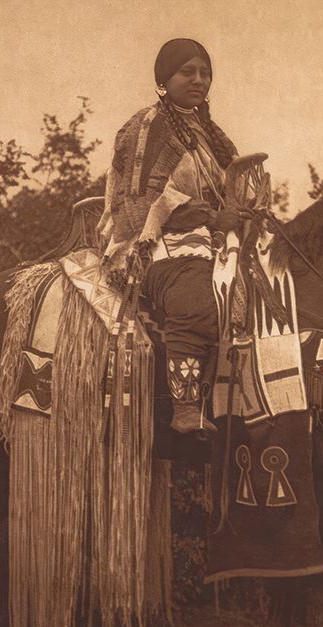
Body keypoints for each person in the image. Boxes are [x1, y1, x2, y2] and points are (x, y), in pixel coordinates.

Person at [99, 38, 248, 434]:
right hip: (151, 247)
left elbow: (230, 190)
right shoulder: (146, 127)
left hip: (212, 244)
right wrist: (211, 217)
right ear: (163, 80)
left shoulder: (211, 135)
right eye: (188, 71)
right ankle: (185, 406)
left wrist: (239, 214)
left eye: (205, 72)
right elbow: (138, 200)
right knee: (198, 299)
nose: (199, 80)